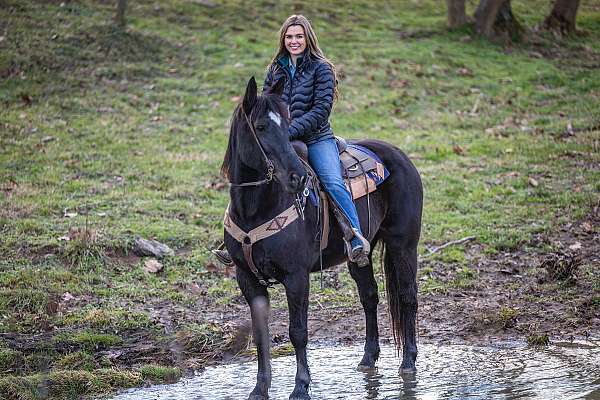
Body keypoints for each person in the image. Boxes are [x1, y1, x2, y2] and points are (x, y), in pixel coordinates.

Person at [213, 14, 369, 267]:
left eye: (299, 36)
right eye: (289, 36)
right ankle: (237, 239)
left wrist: (286, 131)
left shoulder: (322, 69)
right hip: (283, 139)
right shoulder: (275, 68)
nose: (294, 41)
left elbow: (321, 110)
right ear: (283, 39)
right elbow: (265, 106)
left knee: (331, 180)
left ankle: (354, 237)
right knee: (251, 176)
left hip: (317, 138)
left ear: (308, 39)